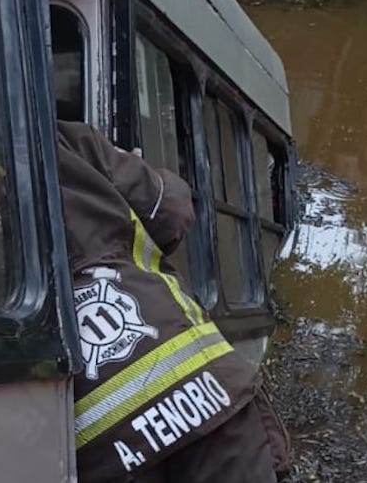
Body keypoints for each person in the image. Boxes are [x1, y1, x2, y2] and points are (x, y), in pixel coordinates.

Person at [55, 120, 289, 483]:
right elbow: (170, 211)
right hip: (208, 398)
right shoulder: (65, 139)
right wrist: (146, 169)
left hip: (111, 454)